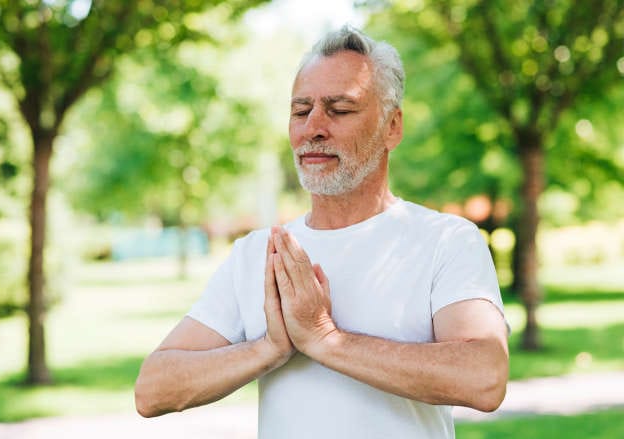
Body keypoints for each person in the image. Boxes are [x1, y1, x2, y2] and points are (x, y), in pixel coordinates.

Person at [135, 25, 509, 438]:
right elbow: (153, 390)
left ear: (392, 127)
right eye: (300, 110)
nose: (313, 127)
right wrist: (269, 348)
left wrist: (327, 340)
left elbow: (484, 377)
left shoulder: (446, 241)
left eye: (340, 109)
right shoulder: (259, 252)